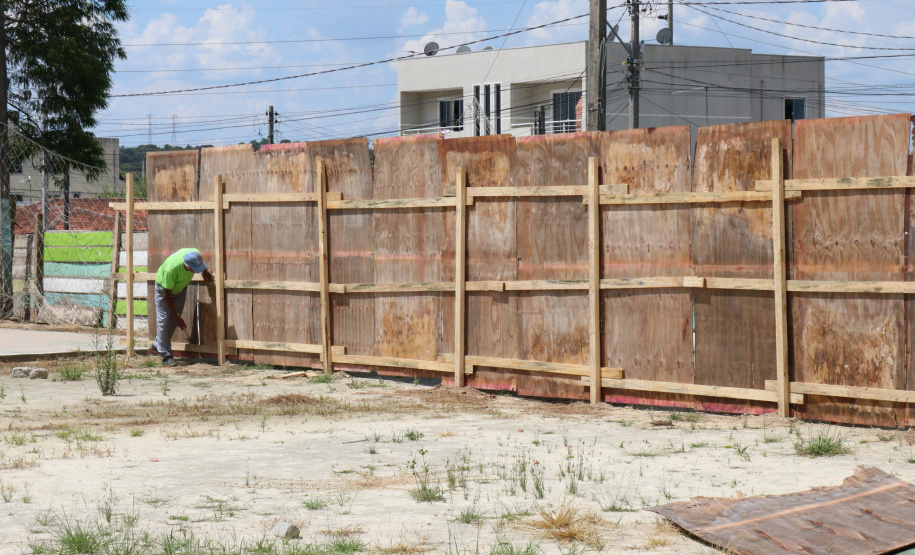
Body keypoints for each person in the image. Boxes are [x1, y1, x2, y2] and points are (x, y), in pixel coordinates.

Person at [151, 248, 214, 366]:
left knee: (174, 321)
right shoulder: (172, 270)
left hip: (180, 287)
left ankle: (158, 344)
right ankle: (166, 355)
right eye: (194, 270)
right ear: (187, 266)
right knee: (165, 319)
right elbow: (167, 296)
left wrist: (204, 271)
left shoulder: (194, 253)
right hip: (164, 289)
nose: (195, 271)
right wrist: (177, 317)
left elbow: (199, 262)